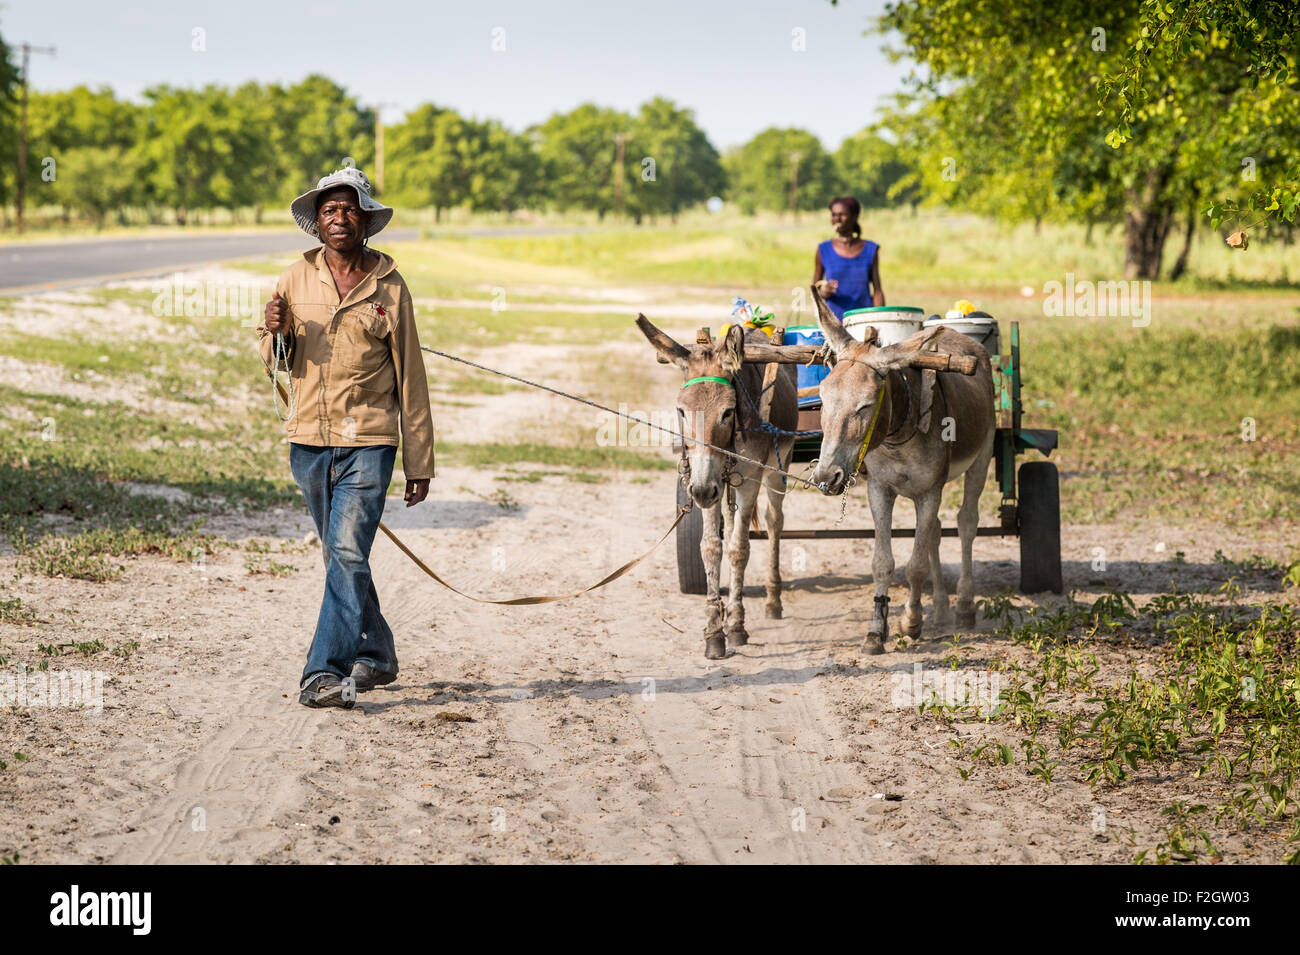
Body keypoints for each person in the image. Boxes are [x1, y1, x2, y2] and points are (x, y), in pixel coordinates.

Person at [257, 166, 436, 709]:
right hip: (309, 439)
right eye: (329, 210)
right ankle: (377, 653)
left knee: (346, 553)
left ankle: (324, 672)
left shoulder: (390, 286)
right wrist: (276, 333)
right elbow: (275, 362)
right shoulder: (293, 278)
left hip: (371, 440)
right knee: (344, 556)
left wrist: (419, 460)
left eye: (349, 209)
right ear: (317, 221)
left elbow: (412, 374)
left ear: (365, 221)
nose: (339, 218)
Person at [812, 196, 885, 319]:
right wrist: (824, 292)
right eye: (834, 215)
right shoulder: (823, 250)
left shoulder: (870, 249)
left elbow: (877, 291)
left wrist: (881, 319)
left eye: (842, 214)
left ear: (854, 216)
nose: (837, 219)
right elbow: (814, 290)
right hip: (834, 322)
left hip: (864, 319)